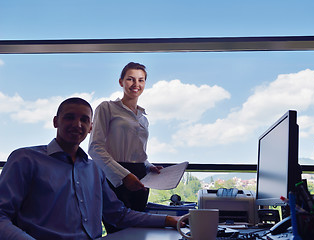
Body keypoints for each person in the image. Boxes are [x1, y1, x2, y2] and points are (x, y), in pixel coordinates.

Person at [0, 97, 181, 240]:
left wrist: (171, 220)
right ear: (56, 121)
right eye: (69, 117)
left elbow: (118, 215)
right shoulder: (25, 159)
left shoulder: (94, 170)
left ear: (90, 127)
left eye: (84, 120)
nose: (77, 124)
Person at [88, 62, 161, 216]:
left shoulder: (143, 118)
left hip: (140, 178)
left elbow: (137, 152)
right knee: (117, 226)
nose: (136, 84)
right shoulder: (106, 108)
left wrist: (149, 166)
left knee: (137, 227)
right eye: (130, 79)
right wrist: (124, 175)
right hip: (114, 175)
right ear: (121, 82)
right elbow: (95, 148)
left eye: (141, 80)